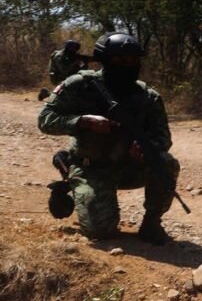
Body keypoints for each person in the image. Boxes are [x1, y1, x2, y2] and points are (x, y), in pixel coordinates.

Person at [38, 32, 180, 245]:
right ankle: (68, 175)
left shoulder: (147, 96)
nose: (128, 65)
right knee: (100, 232)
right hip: (90, 168)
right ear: (105, 61)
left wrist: (145, 148)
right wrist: (83, 121)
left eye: (133, 60)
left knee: (166, 163)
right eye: (120, 61)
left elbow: (163, 137)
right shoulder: (80, 85)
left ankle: (152, 223)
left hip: (129, 166)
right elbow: (45, 120)